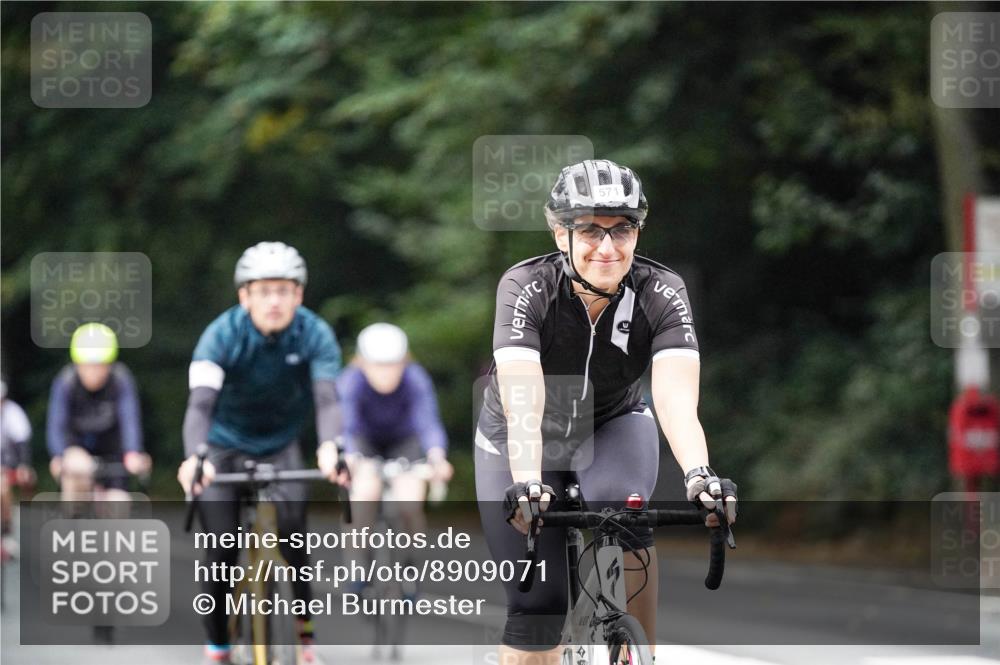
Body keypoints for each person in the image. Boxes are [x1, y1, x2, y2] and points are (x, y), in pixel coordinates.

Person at [474, 159, 739, 664]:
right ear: (559, 234)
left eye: (623, 230)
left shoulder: (661, 291)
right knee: (538, 614)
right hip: (523, 433)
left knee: (627, 509)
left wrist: (701, 476)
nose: (608, 247)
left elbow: (677, 401)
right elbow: (523, 402)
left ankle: (637, 652)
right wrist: (529, 483)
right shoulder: (526, 287)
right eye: (590, 230)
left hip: (614, 419)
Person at [176, 241, 349, 665]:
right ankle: (217, 643)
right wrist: (195, 457)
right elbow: (199, 405)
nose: (274, 300)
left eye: (284, 290)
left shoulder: (315, 334)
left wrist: (330, 447)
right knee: (220, 548)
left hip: (280, 444)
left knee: (295, 542)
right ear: (244, 296)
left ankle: (305, 637)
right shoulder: (220, 336)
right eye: (264, 290)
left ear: (299, 295)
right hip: (221, 445)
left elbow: (328, 399)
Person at [338, 323, 453, 565]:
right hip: (364, 441)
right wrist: (350, 457)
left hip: (404, 441)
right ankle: (357, 566)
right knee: (363, 496)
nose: (386, 373)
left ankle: (411, 562)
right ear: (362, 362)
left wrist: (437, 456)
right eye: (378, 365)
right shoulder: (350, 381)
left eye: (393, 365)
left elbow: (428, 422)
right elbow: (347, 426)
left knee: (409, 503)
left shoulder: (416, 379)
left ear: (404, 361)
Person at [46, 323, 151, 503]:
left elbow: (130, 419)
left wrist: (132, 452)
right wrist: (58, 455)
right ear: (77, 364)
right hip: (76, 450)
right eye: (87, 366)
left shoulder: (121, 380)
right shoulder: (66, 382)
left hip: (113, 451)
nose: (94, 372)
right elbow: (56, 424)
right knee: (77, 476)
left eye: (100, 365)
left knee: (119, 503)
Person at [1, 377, 34, 559]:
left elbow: (22, 442)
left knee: (24, 479)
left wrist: (23, 465)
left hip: (11, 465)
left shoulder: (13, 413)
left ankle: (18, 528)